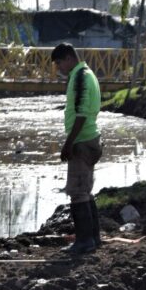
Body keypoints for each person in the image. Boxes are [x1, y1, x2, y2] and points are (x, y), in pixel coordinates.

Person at [54, 42, 103, 254]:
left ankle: (85, 241)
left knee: (77, 192)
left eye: (58, 64)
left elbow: (81, 114)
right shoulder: (85, 73)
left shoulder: (80, 76)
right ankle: (93, 237)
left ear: (68, 58)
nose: (58, 69)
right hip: (89, 138)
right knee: (85, 191)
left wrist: (68, 144)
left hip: (82, 141)